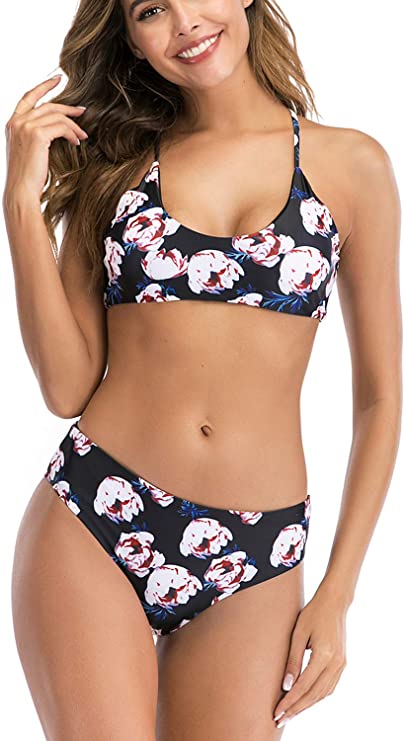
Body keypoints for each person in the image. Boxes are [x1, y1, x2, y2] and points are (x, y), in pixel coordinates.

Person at [3, 0, 402, 739]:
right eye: (151, 10)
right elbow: (65, 387)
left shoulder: (352, 166)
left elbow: (381, 397)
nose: (185, 22)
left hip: (258, 553)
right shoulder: (116, 168)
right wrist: (21, 207)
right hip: (98, 518)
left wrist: (338, 591)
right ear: (130, 38)